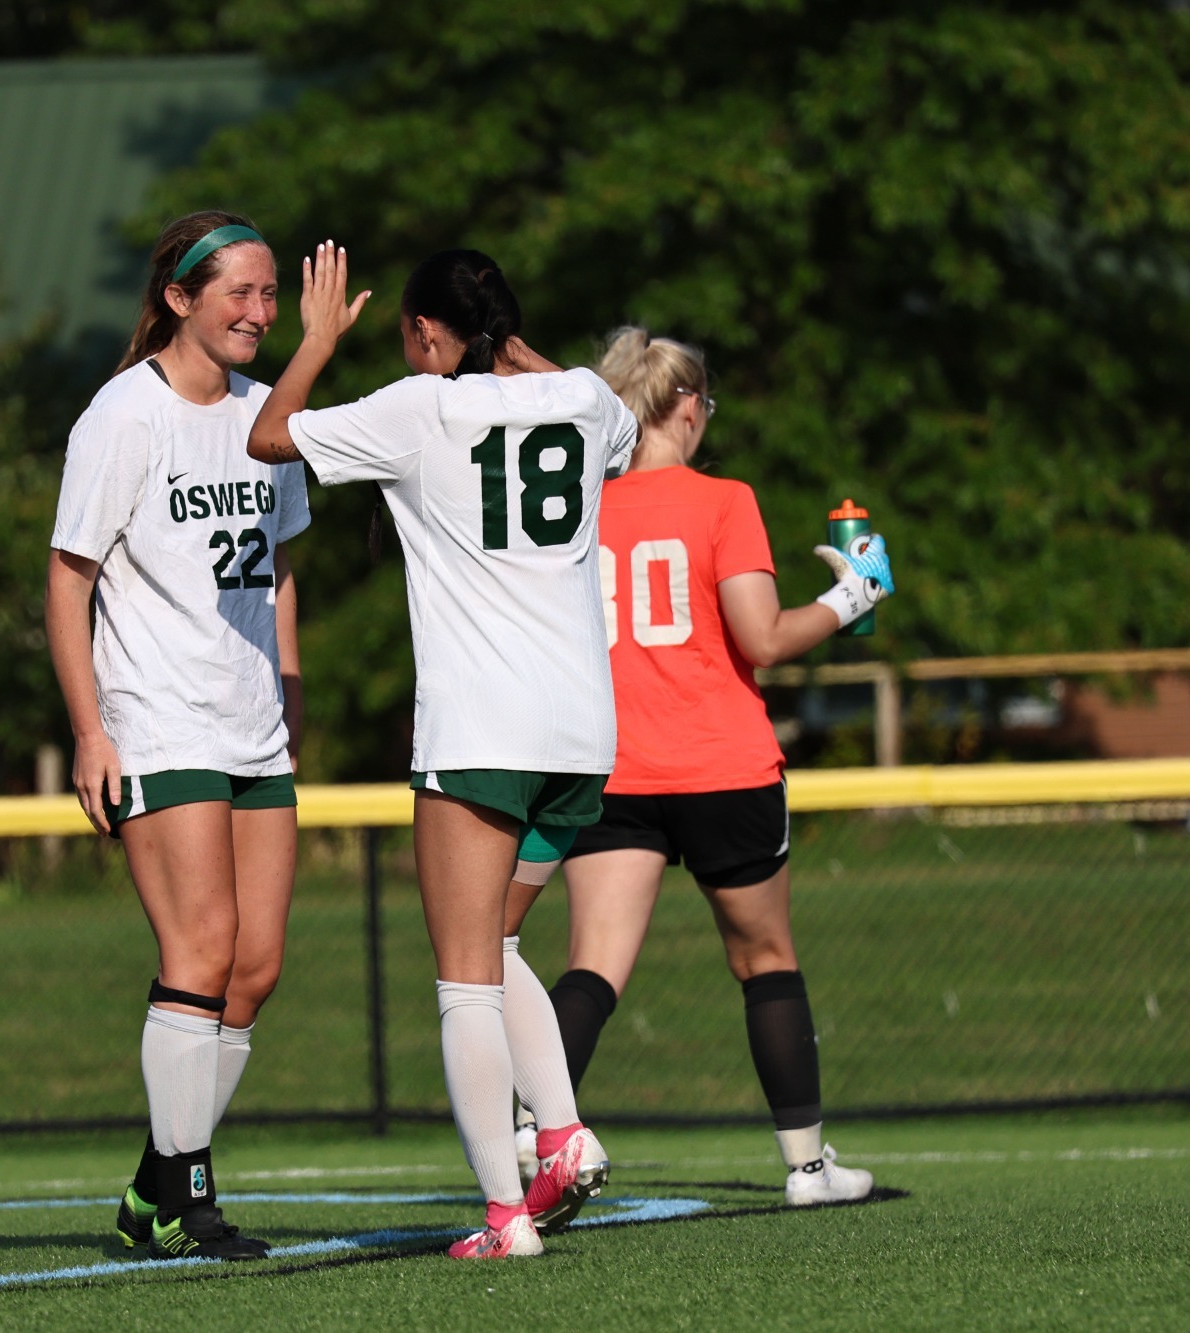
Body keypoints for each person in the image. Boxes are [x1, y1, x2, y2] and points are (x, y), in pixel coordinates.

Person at [248, 243, 638, 1259]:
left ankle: (505, 1217)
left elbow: (267, 434)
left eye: (411, 339)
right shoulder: (586, 398)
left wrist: (319, 342)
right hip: (581, 735)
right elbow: (620, 431)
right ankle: (560, 1137)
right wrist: (509, 347)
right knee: (499, 947)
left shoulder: (419, 408)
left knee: (462, 977)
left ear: (428, 335)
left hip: (480, 730)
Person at [507, 327, 892, 1205]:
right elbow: (762, 637)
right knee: (766, 960)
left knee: (593, 966)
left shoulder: (581, 503)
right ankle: (806, 1167)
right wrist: (851, 595)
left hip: (613, 768)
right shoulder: (723, 500)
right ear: (687, 407)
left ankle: (542, 1134)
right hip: (723, 763)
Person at [46, 210, 307, 1261]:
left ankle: (149, 1189)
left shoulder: (265, 413)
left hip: (253, 723)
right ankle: (190, 1198)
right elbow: (70, 577)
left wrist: (292, 686)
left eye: (269, 292)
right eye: (239, 291)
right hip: (159, 716)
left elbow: (281, 567)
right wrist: (88, 729)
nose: (259, 311)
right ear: (178, 298)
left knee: (255, 969)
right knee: (198, 950)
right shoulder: (123, 415)